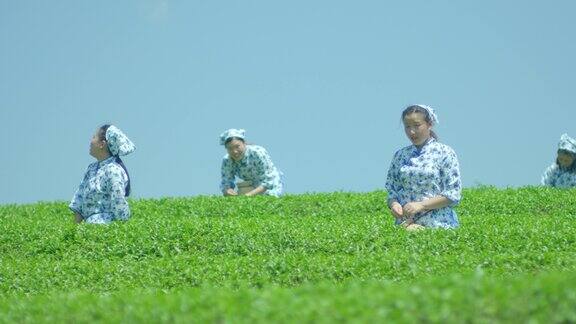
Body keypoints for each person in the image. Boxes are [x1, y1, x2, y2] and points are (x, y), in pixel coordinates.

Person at [385, 104, 462, 230]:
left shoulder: (445, 152)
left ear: (429, 124)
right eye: (407, 127)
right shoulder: (400, 155)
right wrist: (394, 204)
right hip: (405, 225)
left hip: (439, 225)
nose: (412, 132)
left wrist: (421, 205)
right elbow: (392, 190)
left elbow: (452, 194)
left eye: (417, 125)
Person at [69, 125, 136, 224]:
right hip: (88, 229)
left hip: (107, 229)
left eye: (94, 137)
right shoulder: (91, 169)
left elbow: (118, 203)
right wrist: (74, 231)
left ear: (102, 144)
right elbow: (79, 200)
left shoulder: (113, 170)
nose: (90, 141)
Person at [219, 128, 284, 197]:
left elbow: (268, 181)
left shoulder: (257, 153)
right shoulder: (227, 160)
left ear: (244, 143)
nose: (235, 151)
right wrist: (227, 190)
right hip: (250, 185)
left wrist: (248, 195)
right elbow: (226, 181)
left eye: (237, 146)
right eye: (230, 148)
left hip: (271, 183)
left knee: (269, 199)